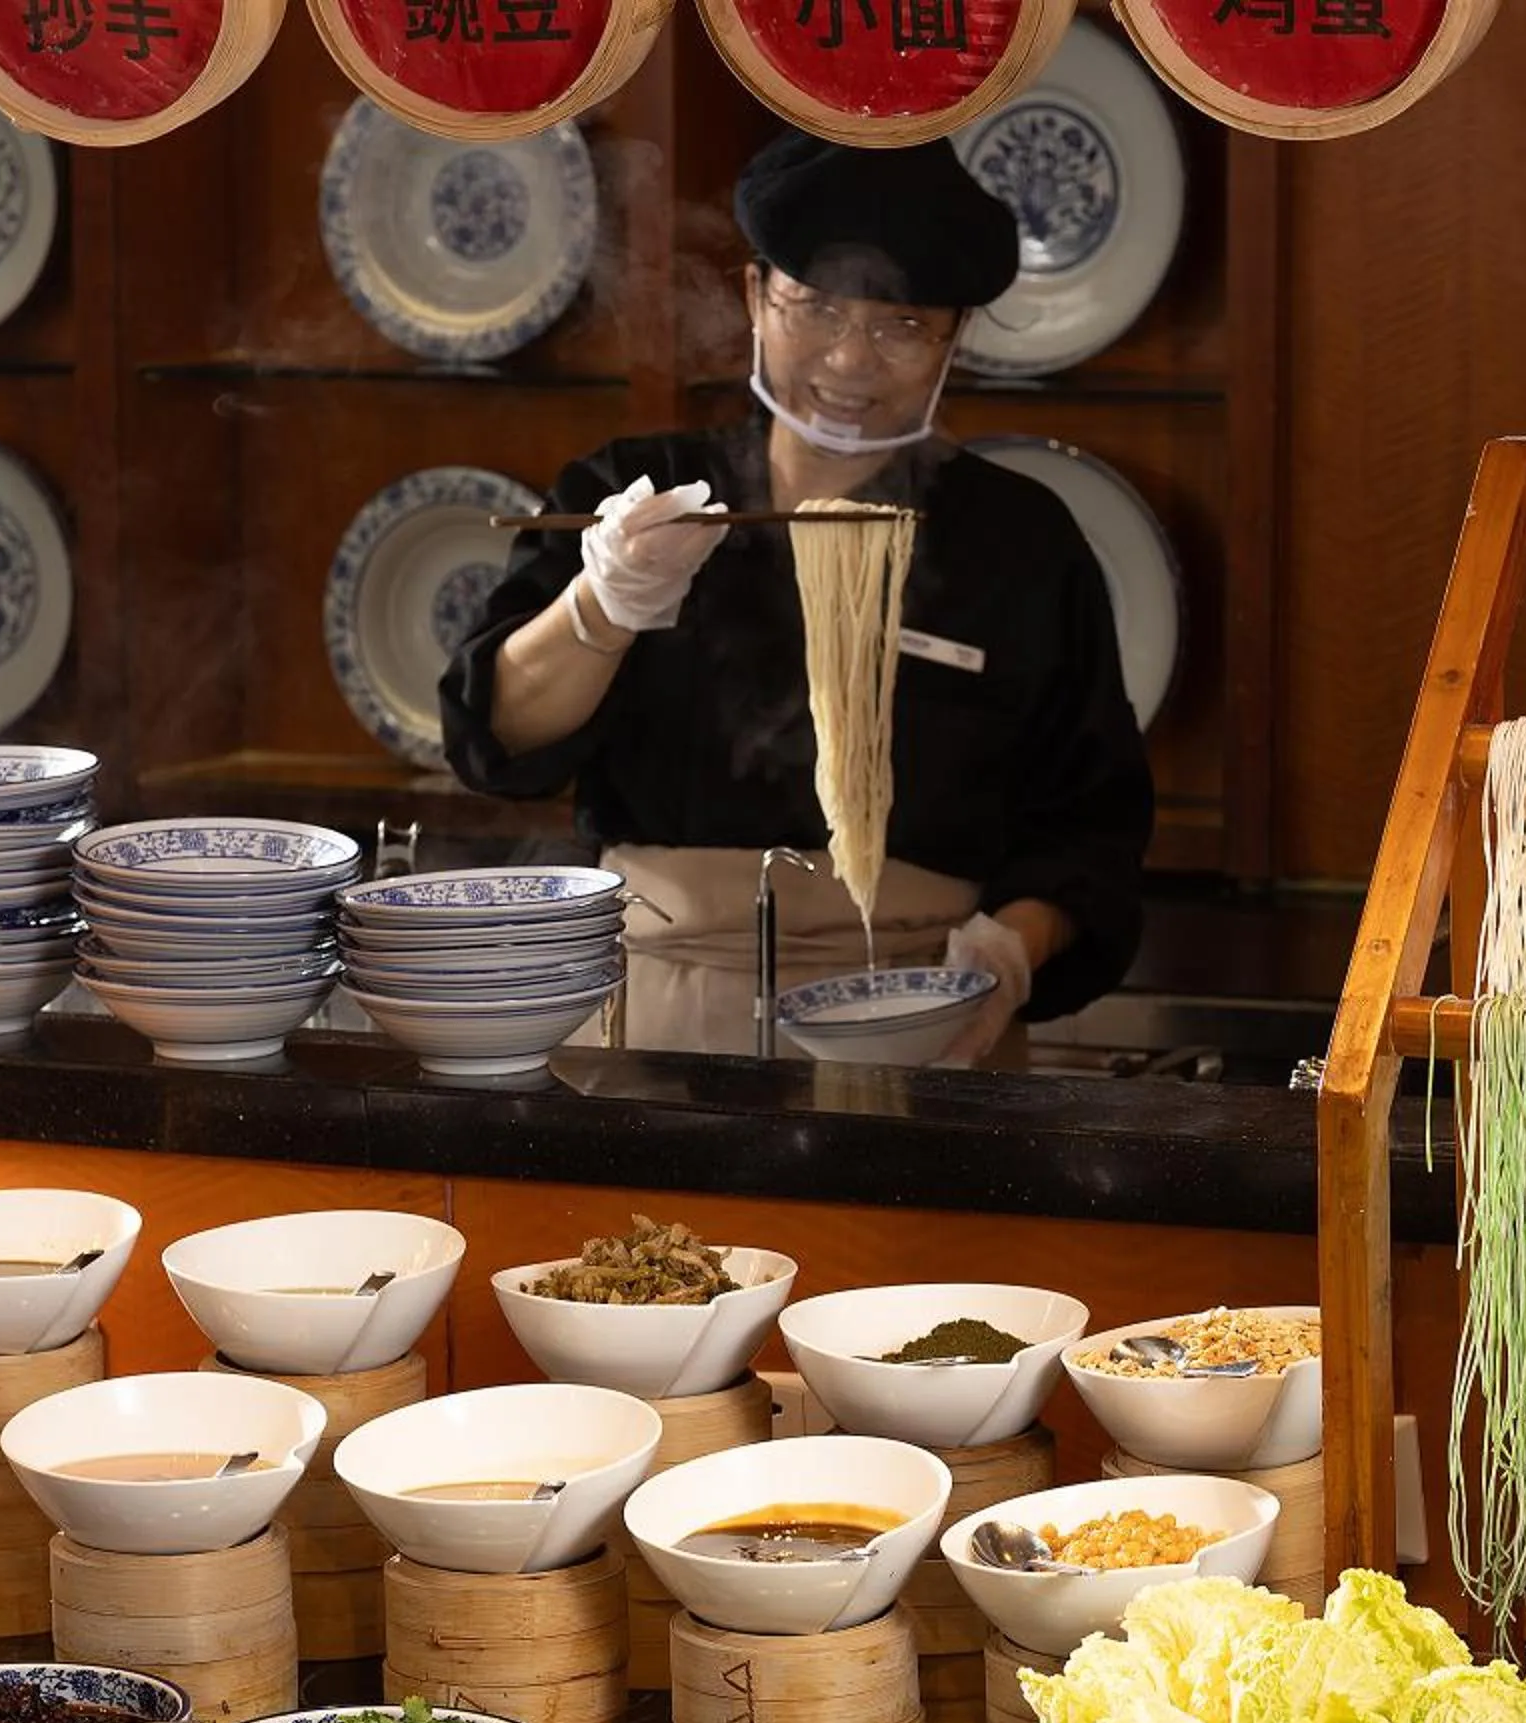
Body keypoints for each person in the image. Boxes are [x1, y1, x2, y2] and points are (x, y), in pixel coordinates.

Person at [440, 134, 1153, 1062]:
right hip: (662, 1021)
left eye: (902, 325)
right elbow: (495, 739)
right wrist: (602, 606)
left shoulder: (1019, 540)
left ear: (955, 338)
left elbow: (1092, 827)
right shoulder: (637, 491)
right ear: (754, 297)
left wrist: (1010, 953)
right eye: (816, 308)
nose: (851, 360)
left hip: (920, 1014)